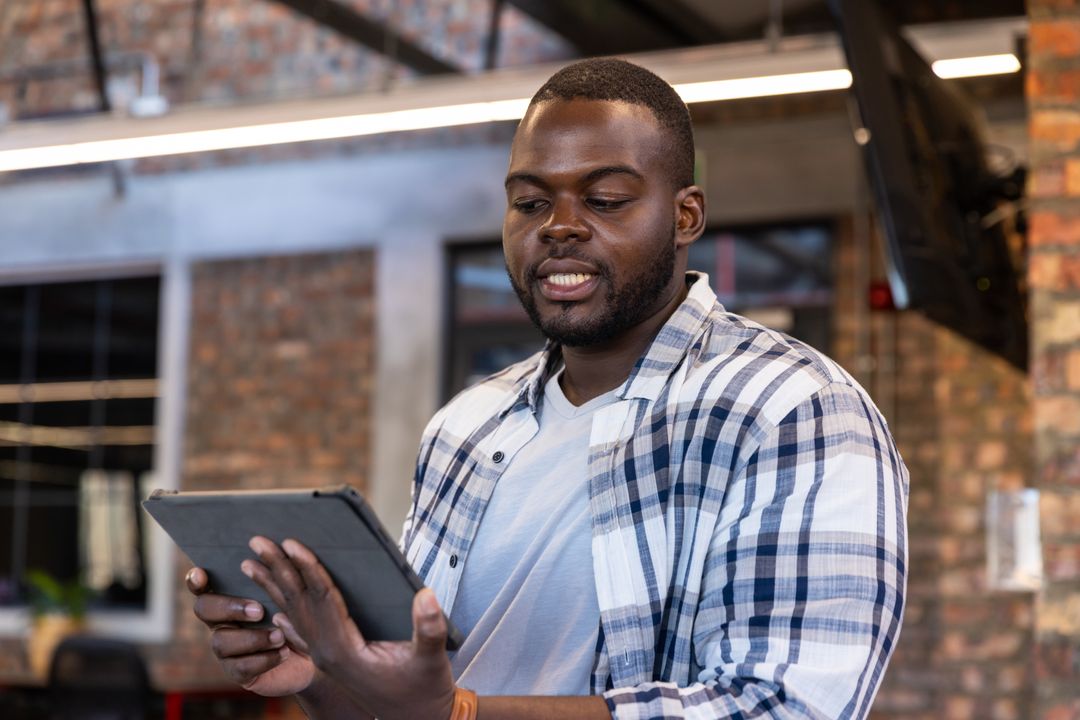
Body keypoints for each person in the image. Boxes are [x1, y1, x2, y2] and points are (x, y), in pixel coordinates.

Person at [186, 58, 908, 719]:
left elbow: (781, 708)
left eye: (606, 198)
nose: (561, 227)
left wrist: (460, 715)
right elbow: (409, 709)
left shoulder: (794, 410)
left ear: (685, 216)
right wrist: (319, 672)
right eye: (530, 204)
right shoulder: (465, 430)